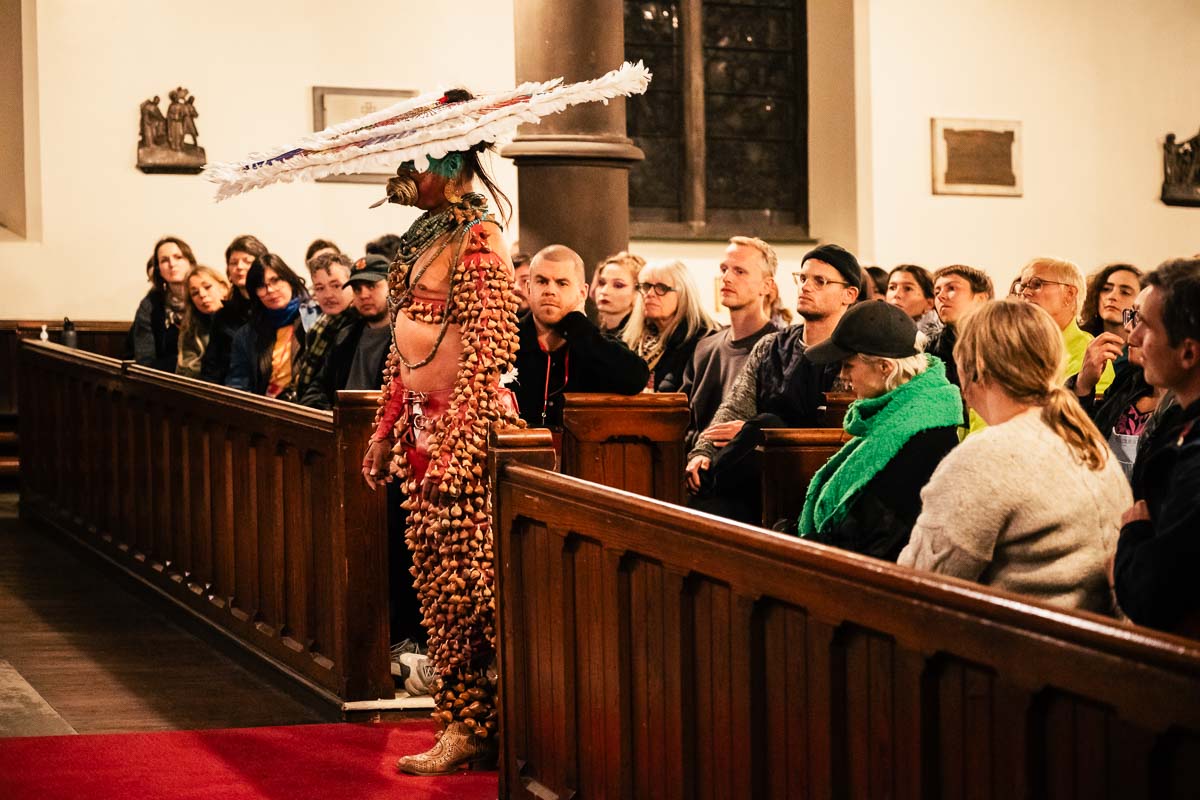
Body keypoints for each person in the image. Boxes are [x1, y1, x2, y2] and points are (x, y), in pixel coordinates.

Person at [205, 63, 651, 776]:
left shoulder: (478, 240)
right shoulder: (425, 236)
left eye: (415, 162)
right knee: (440, 591)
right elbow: (399, 352)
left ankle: (503, 723)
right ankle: (462, 719)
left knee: (478, 591)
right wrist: (386, 431)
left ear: (449, 162)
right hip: (420, 428)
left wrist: (456, 446)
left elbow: (487, 354)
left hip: (466, 435)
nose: (405, 174)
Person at [898, 301, 1131, 614]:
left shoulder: (985, 455)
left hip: (1021, 651)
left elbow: (919, 587)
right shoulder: (1083, 437)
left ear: (972, 371)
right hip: (1090, 641)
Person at [685, 243, 863, 524]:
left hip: (810, 472)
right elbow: (733, 409)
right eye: (802, 278)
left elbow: (840, 430)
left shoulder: (854, 356)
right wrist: (702, 453)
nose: (806, 287)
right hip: (750, 472)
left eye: (820, 281)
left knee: (764, 423)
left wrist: (760, 431)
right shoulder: (772, 346)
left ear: (848, 295)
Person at [797, 302, 961, 560]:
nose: (842, 376)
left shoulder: (924, 432)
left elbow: (877, 537)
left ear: (885, 367)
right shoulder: (901, 416)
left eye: (848, 366)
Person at [1112, 257, 1200, 635]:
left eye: (1146, 326)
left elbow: (1153, 596)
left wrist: (1132, 538)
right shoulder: (1178, 422)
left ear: (1188, 353)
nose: (1132, 337)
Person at [513, 245, 650, 428]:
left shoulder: (594, 344)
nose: (550, 291)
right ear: (529, 288)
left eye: (562, 283)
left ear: (582, 293)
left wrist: (578, 326)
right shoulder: (506, 340)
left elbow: (635, 378)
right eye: (542, 281)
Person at [680, 236, 780, 450]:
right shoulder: (704, 348)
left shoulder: (779, 349)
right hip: (697, 467)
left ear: (767, 285)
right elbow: (684, 421)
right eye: (724, 269)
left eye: (740, 271)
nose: (726, 278)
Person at [1072, 285, 1168, 477]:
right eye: (1131, 315)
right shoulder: (1128, 380)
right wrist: (1083, 385)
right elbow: (1085, 441)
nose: (1128, 328)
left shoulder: (1187, 406)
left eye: (1141, 319)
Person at [297, 255, 392, 409]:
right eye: (357, 289)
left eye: (372, 286)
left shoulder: (404, 338)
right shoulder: (347, 335)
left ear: (392, 286)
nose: (364, 295)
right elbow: (320, 386)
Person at [1016, 256, 1114, 392]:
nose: (1025, 292)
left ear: (1069, 294)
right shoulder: (1014, 346)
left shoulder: (1091, 354)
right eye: (1022, 287)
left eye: (1037, 284)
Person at [622, 259, 718, 391]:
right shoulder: (633, 337)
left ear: (684, 293)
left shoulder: (703, 340)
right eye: (645, 286)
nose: (650, 294)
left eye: (661, 288)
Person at [225, 253, 309, 398]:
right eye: (261, 286)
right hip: (264, 410)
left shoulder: (313, 317)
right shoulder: (247, 335)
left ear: (289, 280)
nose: (270, 290)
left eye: (275, 280)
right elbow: (238, 386)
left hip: (308, 409)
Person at [289, 252, 358, 402]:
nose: (328, 295)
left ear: (352, 284)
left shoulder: (359, 326)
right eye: (320, 288)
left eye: (336, 286)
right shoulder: (318, 326)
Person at [202, 234, 268, 384]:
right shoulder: (223, 315)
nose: (239, 267)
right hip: (229, 391)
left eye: (247, 261)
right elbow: (211, 366)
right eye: (233, 262)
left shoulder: (271, 307)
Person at [130, 236, 196, 372]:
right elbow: (145, 361)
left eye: (178, 257)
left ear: (190, 262)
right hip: (164, 379)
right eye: (164, 260)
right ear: (158, 269)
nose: (172, 264)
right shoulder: (150, 305)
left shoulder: (205, 297)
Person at [176, 265, 230, 379]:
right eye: (194, 293)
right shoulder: (190, 329)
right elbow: (185, 370)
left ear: (224, 288)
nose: (202, 294)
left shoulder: (239, 321)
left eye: (207, 287)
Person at [1080, 263, 1143, 338]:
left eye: (1125, 292)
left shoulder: (1150, 346)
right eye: (1106, 289)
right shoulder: (1078, 340)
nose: (1111, 296)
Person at [591, 251, 644, 338]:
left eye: (618, 285)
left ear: (637, 292)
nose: (604, 291)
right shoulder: (599, 333)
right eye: (601, 283)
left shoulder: (643, 342)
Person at [885, 264, 942, 338]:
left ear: (929, 304)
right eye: (892, 288)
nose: (896, 294)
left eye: (908, 289)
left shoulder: (939, 341)